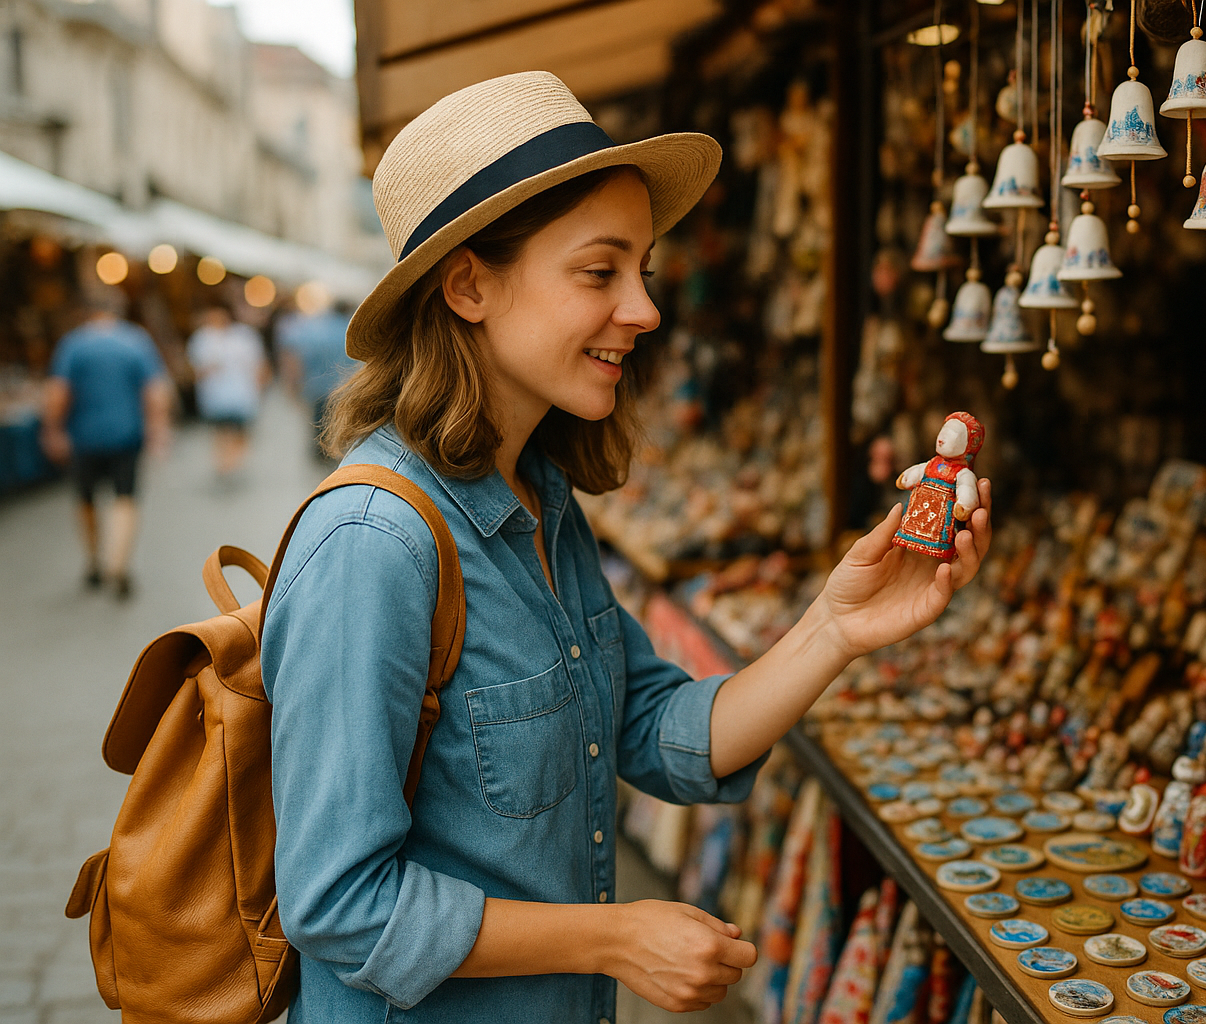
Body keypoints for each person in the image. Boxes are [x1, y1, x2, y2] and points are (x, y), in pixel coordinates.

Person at [261, 72, 993, 1024]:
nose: (644, 309)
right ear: (469, 284)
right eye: (600, 273)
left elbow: (650, 730)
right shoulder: (374, 546)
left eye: (641, 270)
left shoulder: (541, 500)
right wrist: (613, 938)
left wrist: (838, 626)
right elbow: (340, 904)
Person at [41, 288, 171, 598]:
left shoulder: (73, 344)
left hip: (84, 438)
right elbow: (156, 389)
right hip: (126, 435)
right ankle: (119, 563)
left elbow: (58, 392)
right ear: (119, 309)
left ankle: (94, 561)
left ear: (87, 312)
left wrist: (52, 430)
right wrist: (158, 429)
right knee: (124, 497)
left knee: (85, 499)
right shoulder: (136, 341)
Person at [186, 303, 267, 479]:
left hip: (243, 395)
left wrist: (258, 388)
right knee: (221, 429)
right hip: (215, 397)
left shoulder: (244, 336)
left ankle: (233, 459)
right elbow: (196, 370)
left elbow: (258, 365)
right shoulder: (202, 338)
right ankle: (225, 461)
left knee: (239, 430)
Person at [277, 297, 357, 459]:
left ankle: (321, 456)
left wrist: (293, 386)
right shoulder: (351, 331)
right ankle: (336, 455)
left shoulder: (316, 330)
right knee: (339, 425)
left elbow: (296, 357)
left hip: (317, 388)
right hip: (345, 389)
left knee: (318, 425)